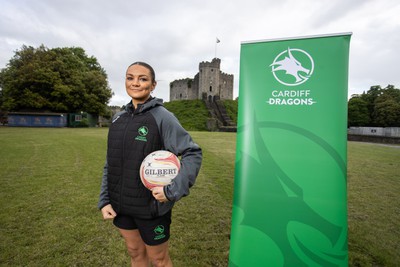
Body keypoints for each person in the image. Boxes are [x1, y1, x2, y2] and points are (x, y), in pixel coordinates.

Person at [98, 62, 202, 267]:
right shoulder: (118, 118)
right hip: (121, 205)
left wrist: (172, 190)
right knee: (135, 253)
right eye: (130, 77)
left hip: (151, 208)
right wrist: (105, 200)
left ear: (153, 85)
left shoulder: (162, 117)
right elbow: (111, 162)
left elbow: (192, 152)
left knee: (159, 260)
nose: (135, 83)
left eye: (142, 79)